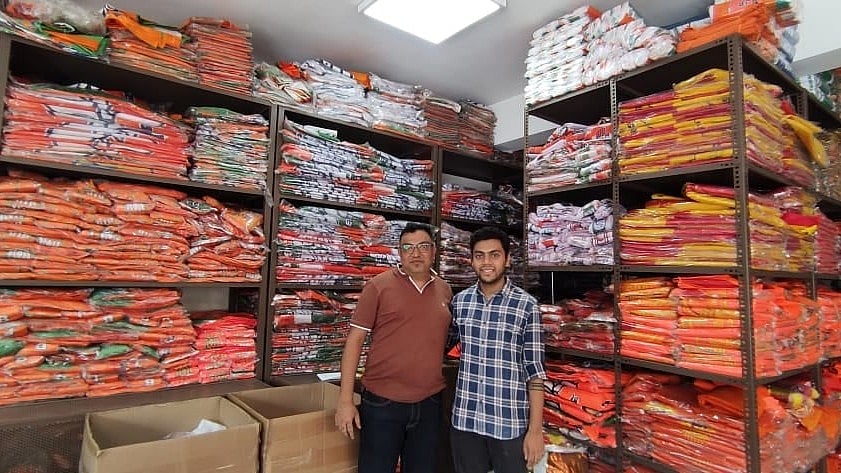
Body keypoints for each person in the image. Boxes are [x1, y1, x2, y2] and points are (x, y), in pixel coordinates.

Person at [335, 222, 453, 473]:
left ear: (433, 251)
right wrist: (345, 400)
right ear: (399, 253)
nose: (416, 253)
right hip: (382, 403)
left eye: (423, 246)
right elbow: (354, 341)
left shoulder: (445, 290)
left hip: (429, 403)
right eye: (408, 248)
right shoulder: (378, 286)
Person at [449, 226, 546, 473]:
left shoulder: (526, 306)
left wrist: (535, 431)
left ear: (507, 259)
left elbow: (535, 373)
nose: (487, 262)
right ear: (471, 260)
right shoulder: (460, 303)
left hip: (508, 424)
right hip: (466, 421)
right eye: (479, 255)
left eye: (494, 255)